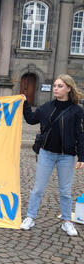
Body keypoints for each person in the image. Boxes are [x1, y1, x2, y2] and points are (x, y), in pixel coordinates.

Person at [20, 74, 84, 236]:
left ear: (69, 88)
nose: (56, 88)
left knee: (65, 191)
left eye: (60, 86)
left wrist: (82, 157)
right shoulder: (46, 107)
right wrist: (24, 103)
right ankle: (30, 217)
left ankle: (66, 222)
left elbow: (80, 134)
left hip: (67, 156)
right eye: (55, 85)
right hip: (46, 153)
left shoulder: (77, 111)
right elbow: (31, 119)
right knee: (38, 188)